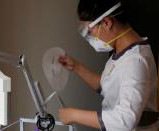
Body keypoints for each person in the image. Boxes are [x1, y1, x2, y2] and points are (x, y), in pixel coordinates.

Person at [58, 0, 158, 131]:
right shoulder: (122, 50)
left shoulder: (135, 61)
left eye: (89, 32)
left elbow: (125, 121)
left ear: (106, 22)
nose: (90, 38)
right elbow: (107, 85)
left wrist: (74, 115)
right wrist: (75, 66)